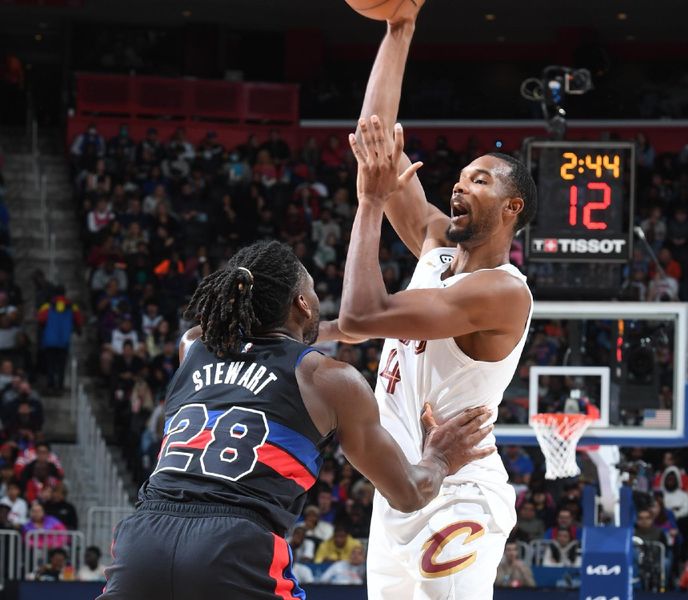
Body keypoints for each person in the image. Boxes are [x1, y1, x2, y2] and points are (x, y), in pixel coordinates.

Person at [99, 240, 494, 600]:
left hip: (143, 539)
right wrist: (440, 458)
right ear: (302, 304)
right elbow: (408, 494)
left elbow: (238, 331)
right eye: (311, 292)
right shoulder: (329, 379)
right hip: (234, 543)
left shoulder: (195, 346)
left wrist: (328, 328)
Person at [337, 5, 536, 598]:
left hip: (459, 491)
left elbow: (362, 317)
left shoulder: (501, 293)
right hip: (403, 483)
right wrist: (399, 30)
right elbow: (375, 138)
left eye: (480, 180)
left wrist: (370, 204)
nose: (459, 183)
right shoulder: (435, 242)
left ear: (511, 209)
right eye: (460, 175)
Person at [37, 286, 83, 394]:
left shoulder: (47, 306)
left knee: (50, 365)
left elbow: (40, 319)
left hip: (49, 340)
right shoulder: (72, 306)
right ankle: (60, 386)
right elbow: (79, 321)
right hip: (64, 340)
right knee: (61, 365)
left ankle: (50, 385)